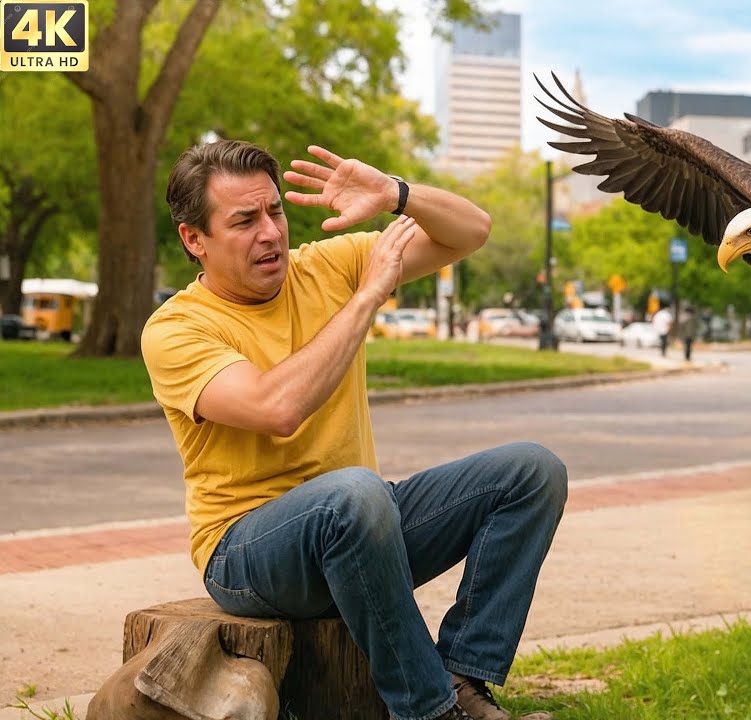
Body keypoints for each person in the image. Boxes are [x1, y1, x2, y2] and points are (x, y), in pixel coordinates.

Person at [141, 139, 566, 720]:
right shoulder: (176, 328)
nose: (270, 233)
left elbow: (471, 231)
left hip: (364, 522)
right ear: (195, 239)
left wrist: (396, 193)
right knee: (355, 494)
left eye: (275, 211)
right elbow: (278, 408)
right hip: (247, 552)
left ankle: (464, 679)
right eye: (244, 220)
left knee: (531, 472)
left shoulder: (325, 265)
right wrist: (367, 296)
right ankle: (427, 711)